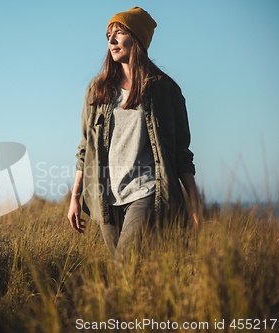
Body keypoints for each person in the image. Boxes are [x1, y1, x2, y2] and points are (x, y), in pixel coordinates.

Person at [67, 7, 201, 259]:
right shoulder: (97, 90)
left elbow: (182, 153)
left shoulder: (166, 90)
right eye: (109, 34)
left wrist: (194, 201)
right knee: (134, 277)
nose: (111, 40)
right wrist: (75, 198)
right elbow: (85, 147)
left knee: (122, 267)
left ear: (137, 39)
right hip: (106, 197)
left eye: (119, 32)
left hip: (147, 191)